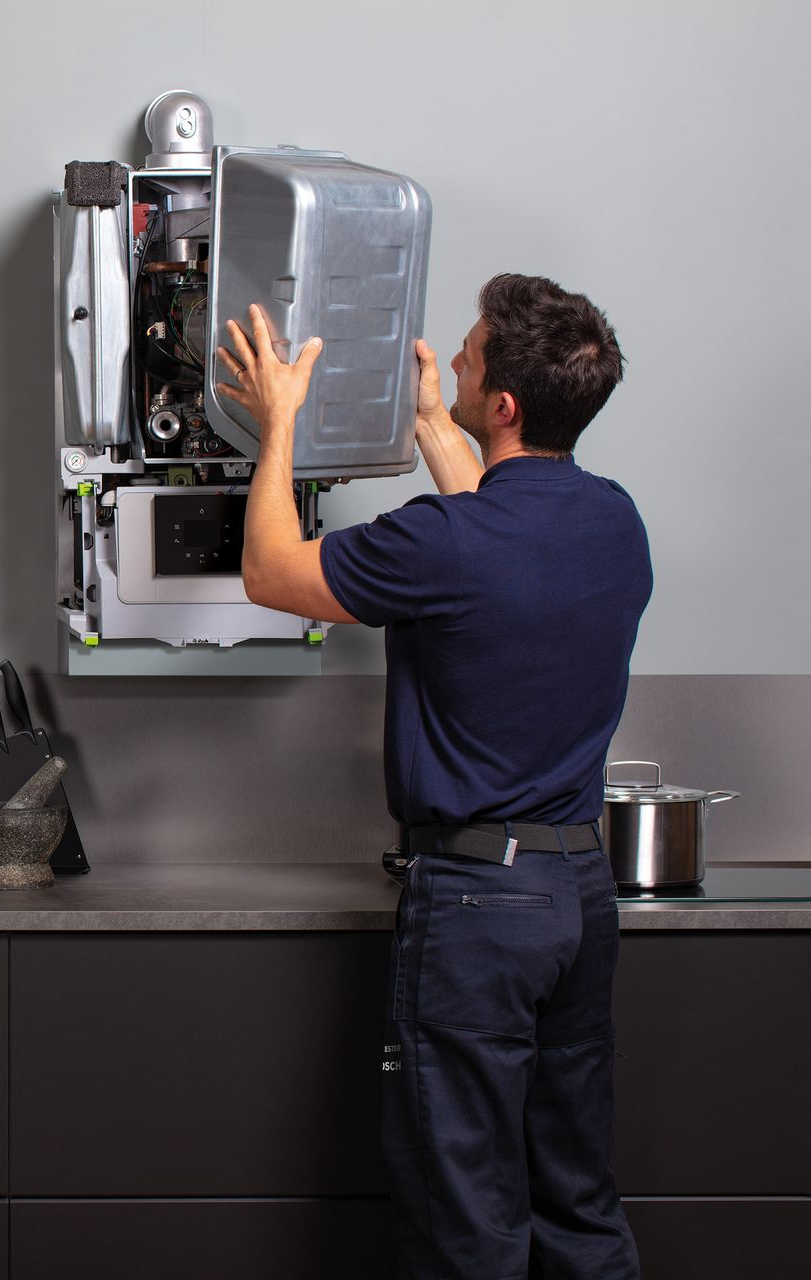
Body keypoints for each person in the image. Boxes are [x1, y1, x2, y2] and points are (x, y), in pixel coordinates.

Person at [217, 274, 651, 1280]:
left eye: (462, 357)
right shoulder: (609, 523)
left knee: (466, 1208)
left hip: (477, 908)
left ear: (501, 405)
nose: (446, 359)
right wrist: (425, 422)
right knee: (574, 1193)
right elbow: (497, 531)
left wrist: (276, 420)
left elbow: (273, 571)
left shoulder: (440, 544)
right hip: (576, 895)